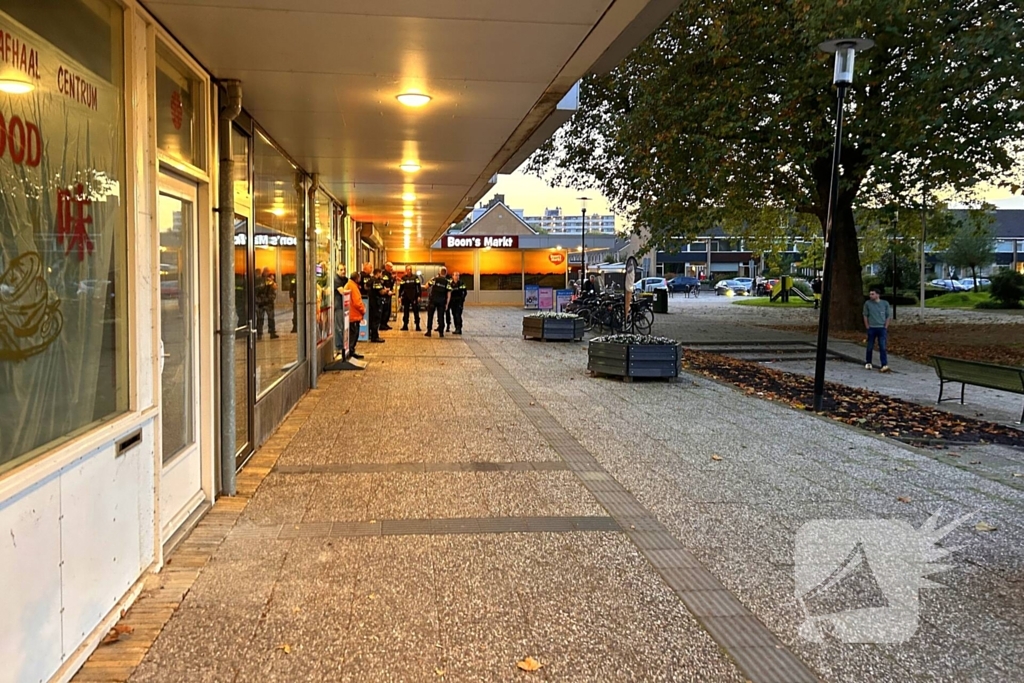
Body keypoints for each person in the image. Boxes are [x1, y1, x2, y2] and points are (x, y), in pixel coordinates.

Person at [863, 287, 892, 372]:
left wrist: (886, 326)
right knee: (870, 346)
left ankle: (884, 364)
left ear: (877, 295)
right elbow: (865, 315)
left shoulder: (885, 304)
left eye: (872, 294)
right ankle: (868, 362)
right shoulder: (868, 303)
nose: (870, 296)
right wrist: (867, 326)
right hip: (872, 327)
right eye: (870, 294)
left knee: (882, 346)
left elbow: (888, 316)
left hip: (881, 327)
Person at [424, 267, 451, 338]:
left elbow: (426, 286)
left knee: (430, 316)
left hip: (433, 300)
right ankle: (441, 333)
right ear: (446, 273)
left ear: (439, 273)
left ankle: (429, 331)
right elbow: (449, 294)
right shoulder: (447, 282)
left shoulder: (434, 279)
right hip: (442, 301)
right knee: (441, 316)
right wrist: (447, 304)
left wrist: (431, 279)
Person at [343, 271, 365, 359]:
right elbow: (357, 302)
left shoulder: (349, 284)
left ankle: (351, 351)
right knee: (354, 334)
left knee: (352, 334)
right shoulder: (353, 287)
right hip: (354, 315)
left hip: (350, 315)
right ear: (357, 278)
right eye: (359, 277)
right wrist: (363, 310)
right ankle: (351, 352)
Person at [255, 268, 278, 339]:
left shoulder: (269, 280)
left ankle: (272, 332)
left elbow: (275, 288)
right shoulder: (259, 280)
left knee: (270, 318)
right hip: (261, 302)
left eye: (268, 272)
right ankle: (259, 334)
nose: (267, 273)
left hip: (268, 302)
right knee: (260, 319)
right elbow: (257, 289)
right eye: (267, 271)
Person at [367, 267, 388, 343]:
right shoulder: (376, 281)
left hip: (370, 302)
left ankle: (370, 334)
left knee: (371, 319)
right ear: (378, 273)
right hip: (376, 302)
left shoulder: (370, 280)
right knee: (376, 320)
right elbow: (381, 292)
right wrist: (386, 291)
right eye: (380, 274)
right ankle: (375, 336)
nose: (381, 275)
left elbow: (366, 287)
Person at [398, 265, 422, 331]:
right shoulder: (403, 278)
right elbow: (401, 288)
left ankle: (417, 326)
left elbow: (418, 287)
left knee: (416, 311)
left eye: (410, 269)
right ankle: (405, 325)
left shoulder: (415, 277)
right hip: (406, 297)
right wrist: (399, 296)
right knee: (406, 311)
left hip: (414, 296)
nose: (409, 271)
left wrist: (419, 296)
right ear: (406, 270)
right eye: (408, 269)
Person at [379, 261, 396, 331]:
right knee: (385, 310)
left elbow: (391, 283)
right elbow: (383, 284)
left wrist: (394, 279)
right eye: (390, 267)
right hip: (385, 294)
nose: (392, 268)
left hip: (390, 294)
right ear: (386, 267)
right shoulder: (384, 275)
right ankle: (382, 324)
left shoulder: (390, 274)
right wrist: (387, 291)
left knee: (388, 310)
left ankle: (385, 323)